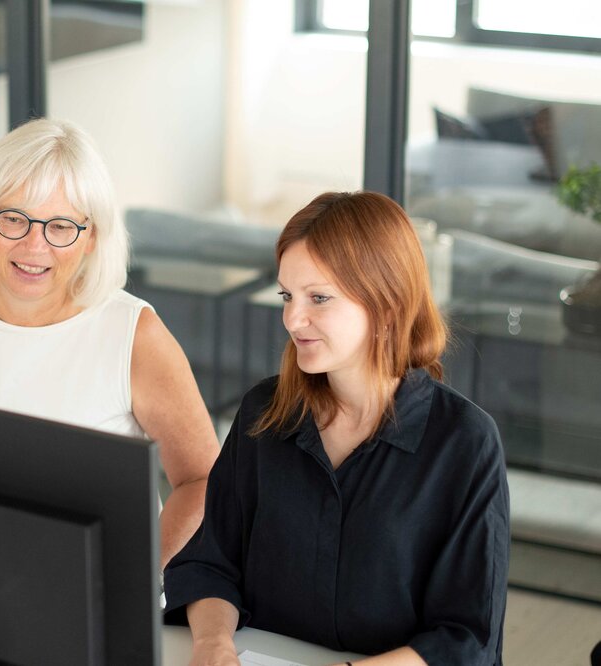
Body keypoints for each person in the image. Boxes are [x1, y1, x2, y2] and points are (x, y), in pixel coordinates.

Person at [163, 192, 509, 664]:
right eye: (287, 295)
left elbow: (466, 638)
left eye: (318, 298)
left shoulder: (465, 443)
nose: (292, 318)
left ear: (387, 305)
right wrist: (212, 644)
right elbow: (210, 564)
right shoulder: (263, 414)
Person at [0, 117, 220, 568]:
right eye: (13, 219)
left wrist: (133, 577)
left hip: (90, 584)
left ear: (91, 237)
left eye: (60, 226)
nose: (34, 246)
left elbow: (205, 479)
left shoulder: (134, 336)